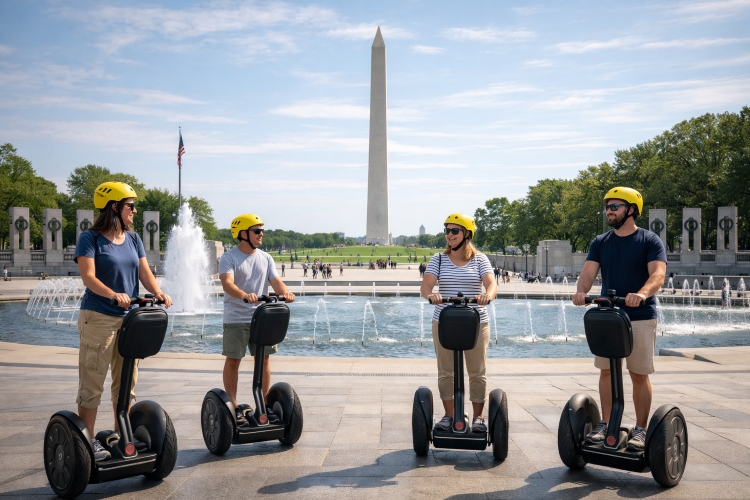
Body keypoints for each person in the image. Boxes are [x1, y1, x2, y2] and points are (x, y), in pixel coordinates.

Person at [74, 181, 172, 462]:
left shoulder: (133, 239)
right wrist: (113, 294)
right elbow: (89, 278)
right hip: (98, 317)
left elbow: (144, 272)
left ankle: (121, 436)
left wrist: (158, 291)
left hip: (129, 320)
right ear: (114, 207)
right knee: (93, 383)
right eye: (131, 205)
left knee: (126, 384)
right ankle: (88, 441)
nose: (135, 210)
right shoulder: (90, 238)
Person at [572, 187, 666, 453]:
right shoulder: (601, 242)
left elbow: (658, 274)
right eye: (607, 207)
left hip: (639, 315)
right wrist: (582, 292)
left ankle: (640, 428)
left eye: (615, 206)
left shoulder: (649, 240)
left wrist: (642, 294)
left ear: (631, 210)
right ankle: (606, 423)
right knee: (606, 371)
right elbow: (588, 272)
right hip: (610, 315)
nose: (609, 211)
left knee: (638, 373)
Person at [421, 213, 497, 433]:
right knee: (446, 371)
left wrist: (487, 296)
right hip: (444, 321)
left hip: (475, 322)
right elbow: (426, 286)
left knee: (477, 371)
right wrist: (431, 295)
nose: (449, 235)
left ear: (467, 234)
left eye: (455, 231)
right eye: (447, 231)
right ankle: (450, 415)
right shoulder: (439, 259)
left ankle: (478, 418)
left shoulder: (480, 259)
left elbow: (491, 284)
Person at [219, 214, 295, 427]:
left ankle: (263, 404)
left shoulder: (266, 257)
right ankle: (233, 406)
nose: (261, 234)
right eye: (257, 230)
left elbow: (276, 281)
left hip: (261, 318)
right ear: (243, 234)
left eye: (262, 230)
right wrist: (243, 294)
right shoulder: (229, 257)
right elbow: (227, 284)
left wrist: (285, 293)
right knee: (234, 359)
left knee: (264, 360)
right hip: (236, 318)